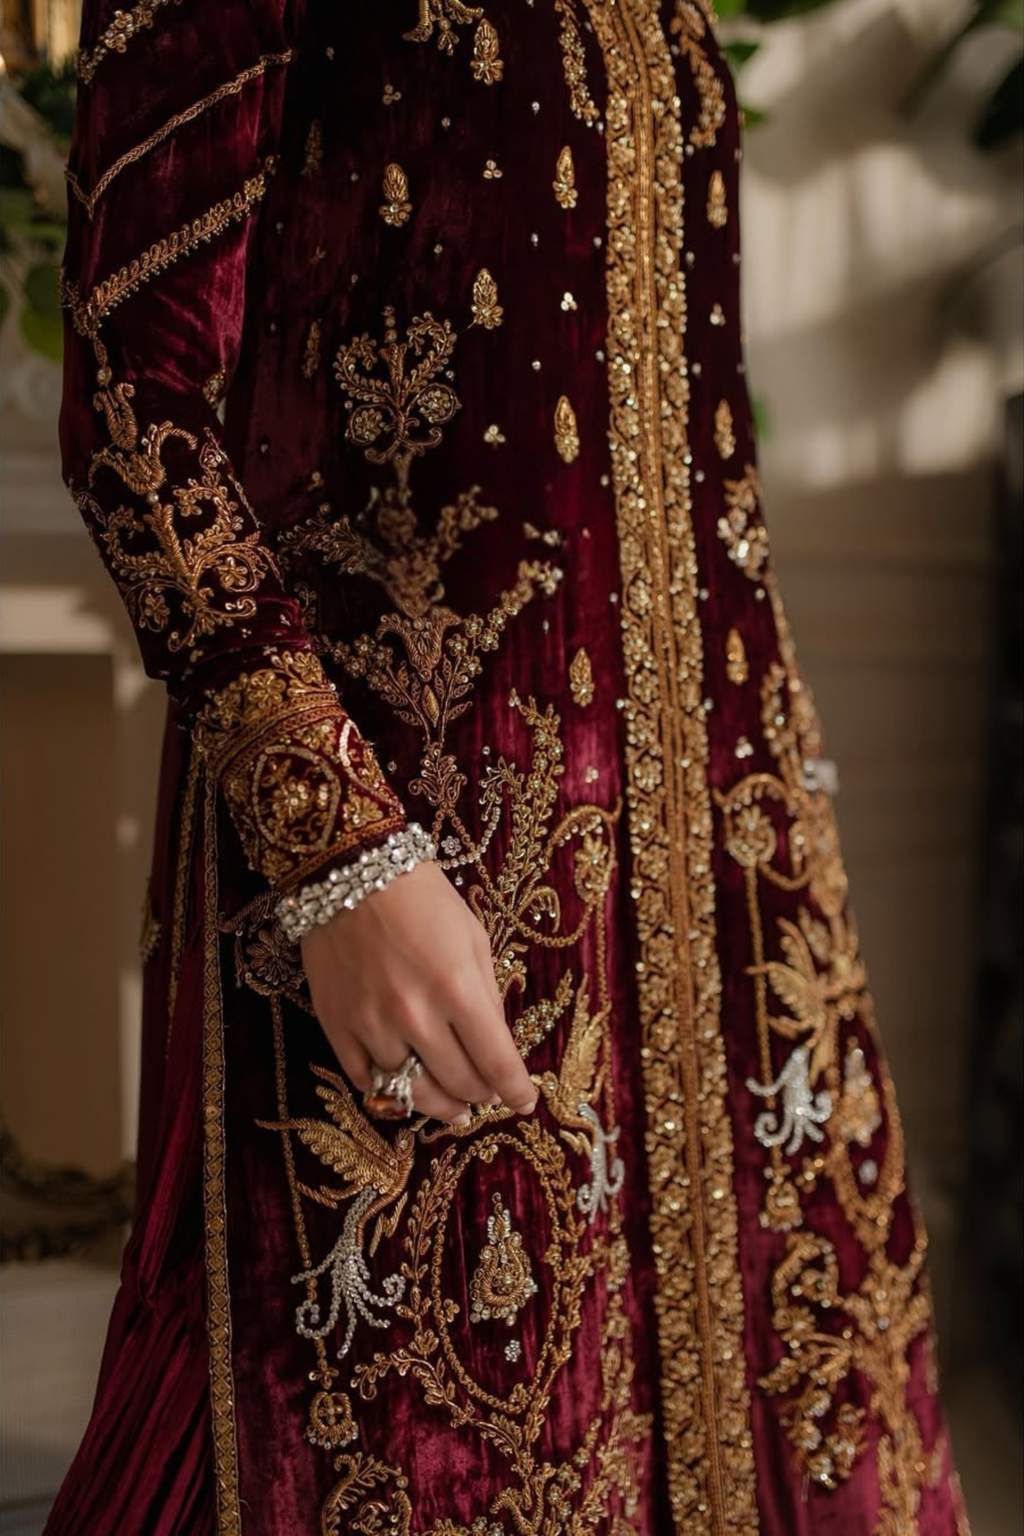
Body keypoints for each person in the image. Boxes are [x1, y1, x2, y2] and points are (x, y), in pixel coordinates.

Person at [46, 2, 969, 1531]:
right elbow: (136, 403)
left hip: (727, 920)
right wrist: (339, 849)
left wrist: (785, 809)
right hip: (423, 892)